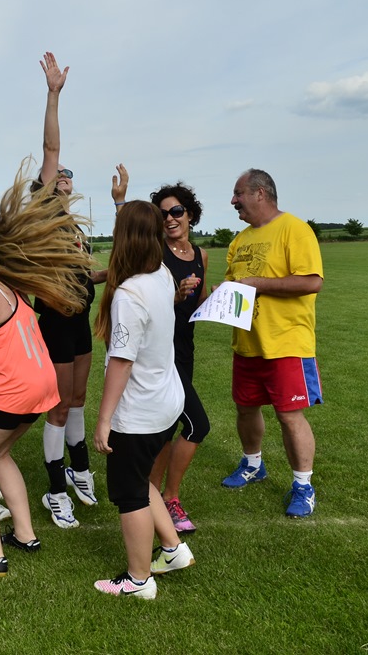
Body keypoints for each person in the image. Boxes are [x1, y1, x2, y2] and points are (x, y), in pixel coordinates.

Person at [0, 162, 93, 577]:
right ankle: (26, 533)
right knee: (0, 454)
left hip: (13, 390)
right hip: (42, 385)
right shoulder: (2, 280)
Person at [92, 201, 196, 600]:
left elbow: (121, 362)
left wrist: (104, 420)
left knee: (129, 492)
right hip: (166, 401)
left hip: (141, 410)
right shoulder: (161, 274)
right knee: (140, 478)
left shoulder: (129, 293)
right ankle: (172, 550)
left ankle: (138, 580)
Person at [113, 168, 212, 533]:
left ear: (190, 214)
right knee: (195, 425)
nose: (170, 218)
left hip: (186, 347)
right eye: (163, 213)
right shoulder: (154, 254)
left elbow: (201, 301)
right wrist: (120, 202)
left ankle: (151, 493)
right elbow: (147, 297)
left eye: (177, 211)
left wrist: (225, 301)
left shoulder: (199, 253)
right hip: (160, 351)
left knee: (170, 428)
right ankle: (168, 498)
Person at [221, 169, 324, 518]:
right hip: (247, 344)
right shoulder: (240, 240)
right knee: (245, 408)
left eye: (238, 194)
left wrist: (259, 284)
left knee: (289, 415)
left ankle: (303, 486)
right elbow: (236, 286)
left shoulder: (294, 229)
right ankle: (253, 464)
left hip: (286, 344)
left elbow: (312, 281)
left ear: (260, 193)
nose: (233, 201)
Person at [30, 52, 103, 530]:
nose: (63, 180)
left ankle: (79, 470)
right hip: (55, 321)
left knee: (77, 400)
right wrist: (54, 94)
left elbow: (86, 274)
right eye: (56, 178)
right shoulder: (41, 213)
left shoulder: (75, 229)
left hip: (78, 323)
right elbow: (50, 147)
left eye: (68, 179)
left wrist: (120, 273)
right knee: (57, 407)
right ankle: (55, 488)